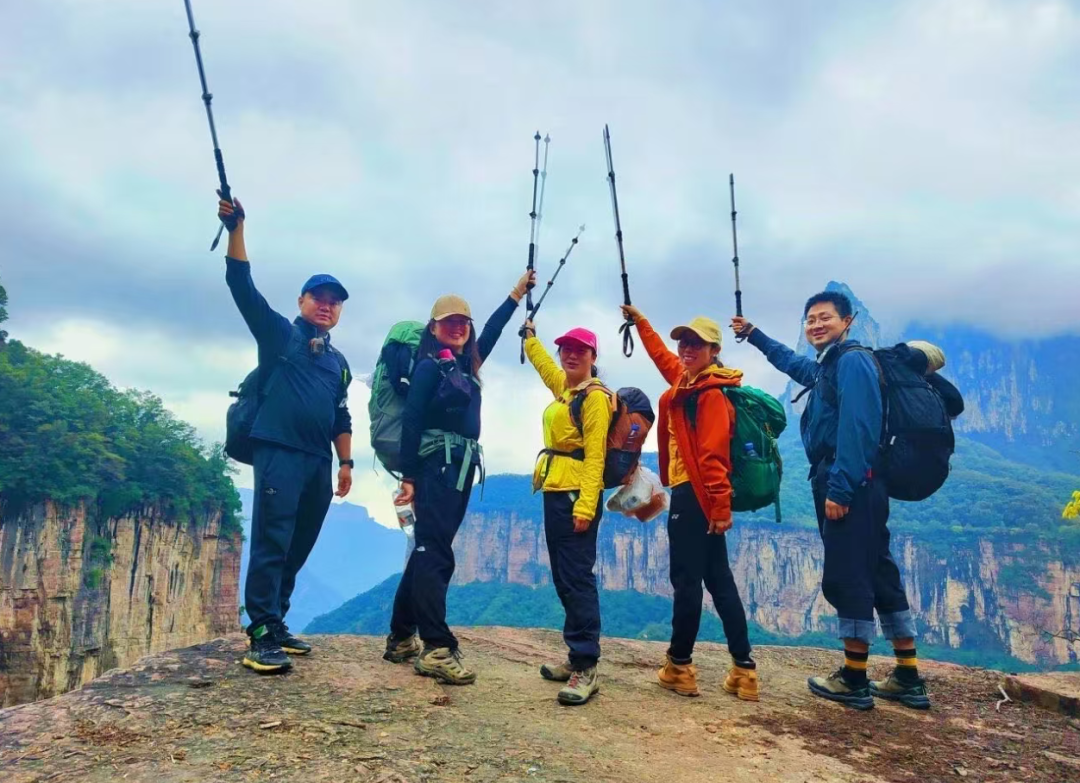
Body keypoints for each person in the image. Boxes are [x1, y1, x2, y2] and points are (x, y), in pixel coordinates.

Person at [732, 291, 927, 711]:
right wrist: (755, 336)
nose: (816, 325)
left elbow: (859, 426)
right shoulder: (829, 367)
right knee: (878, 570)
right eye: (810, 320)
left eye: (825, 318)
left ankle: (854, 678)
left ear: (847, 321)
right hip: (859, 482)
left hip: (849, 481)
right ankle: (907, 675)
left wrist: (840, 488)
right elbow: (793, 364)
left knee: (848, 574)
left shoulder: (853, 362)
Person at [219, 194, 353, 675]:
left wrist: (346, 464)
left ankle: (277, 621)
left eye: (335, 302)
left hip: (319, 462)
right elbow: (242, 287)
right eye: (319, 297)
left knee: (300, 542)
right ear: (302, 302)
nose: (327, 306)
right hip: (278, 451)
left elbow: (342, 414)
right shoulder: (280, 335)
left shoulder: (338, 362)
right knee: (273, 539)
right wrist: (237, 229)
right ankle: (259, 630)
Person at [384, 271, 535, 685]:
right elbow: (412, 420)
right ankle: (435, 646)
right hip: (436, 467)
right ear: (434, 328)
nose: (458, 328)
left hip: (459, 469)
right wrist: (410, 477)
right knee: (435, 553)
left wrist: (515, 295)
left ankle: (400, 637)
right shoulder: (430, 368)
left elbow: (492, 331)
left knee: (428, 549)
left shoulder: (466, 365)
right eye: (449, 322)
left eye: (462, 322)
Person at [621, 306, 758, 701]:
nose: (686, 348)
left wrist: (719, 510)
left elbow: (714, 458)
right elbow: (664, 357)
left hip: (693, 497)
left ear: (714, 350)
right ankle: (743, 671)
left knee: (686, 581)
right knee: (719, 580)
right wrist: (642, 322)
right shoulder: (688, 384)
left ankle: (679, 665)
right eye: (684, 341)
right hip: (697, 498)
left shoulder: (709, 395)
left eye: (696, 343)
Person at [521, 321, 611, 706]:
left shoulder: (594, 398)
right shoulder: (567, 390)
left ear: (593, 357)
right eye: (565, 349)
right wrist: (530, 339)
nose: (571, 355)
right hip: (554, 490)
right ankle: (575, 657)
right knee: (562, 577)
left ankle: (586, 667)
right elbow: (544, 366)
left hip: (576, 495)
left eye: (580, 350)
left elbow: (596, 456)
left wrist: (586, 506)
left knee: (577, 578)